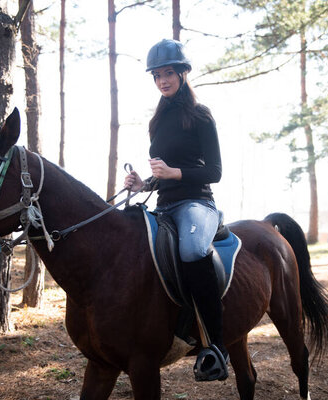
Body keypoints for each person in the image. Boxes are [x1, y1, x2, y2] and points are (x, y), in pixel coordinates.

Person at [124, 39, 228, 382]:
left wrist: (175, 174)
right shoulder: (157, 121)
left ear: (183, 73)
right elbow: (162, 174)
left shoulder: (201, 115)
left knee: (193, 249)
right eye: (157, 75)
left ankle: (218, 346)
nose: (162, 80)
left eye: (168, 73)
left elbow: (214, 172)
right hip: (164, 204)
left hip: (197, 202)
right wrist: (144, 185)